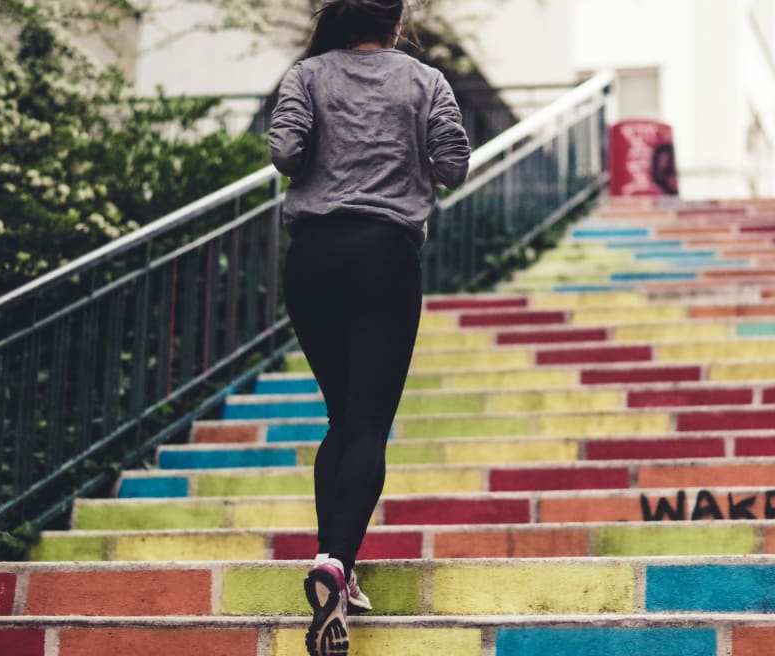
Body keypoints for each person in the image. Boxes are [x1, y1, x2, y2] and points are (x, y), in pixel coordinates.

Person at [268, 0, 470, 653]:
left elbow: (285, 152)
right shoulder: (424, 81)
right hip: (384, 257)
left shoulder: (306, 75)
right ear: (397, 18)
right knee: (367, 424)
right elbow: (453, 164)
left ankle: (338, 562)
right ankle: (335, 562)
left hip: (313, 259)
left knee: (341, 419)